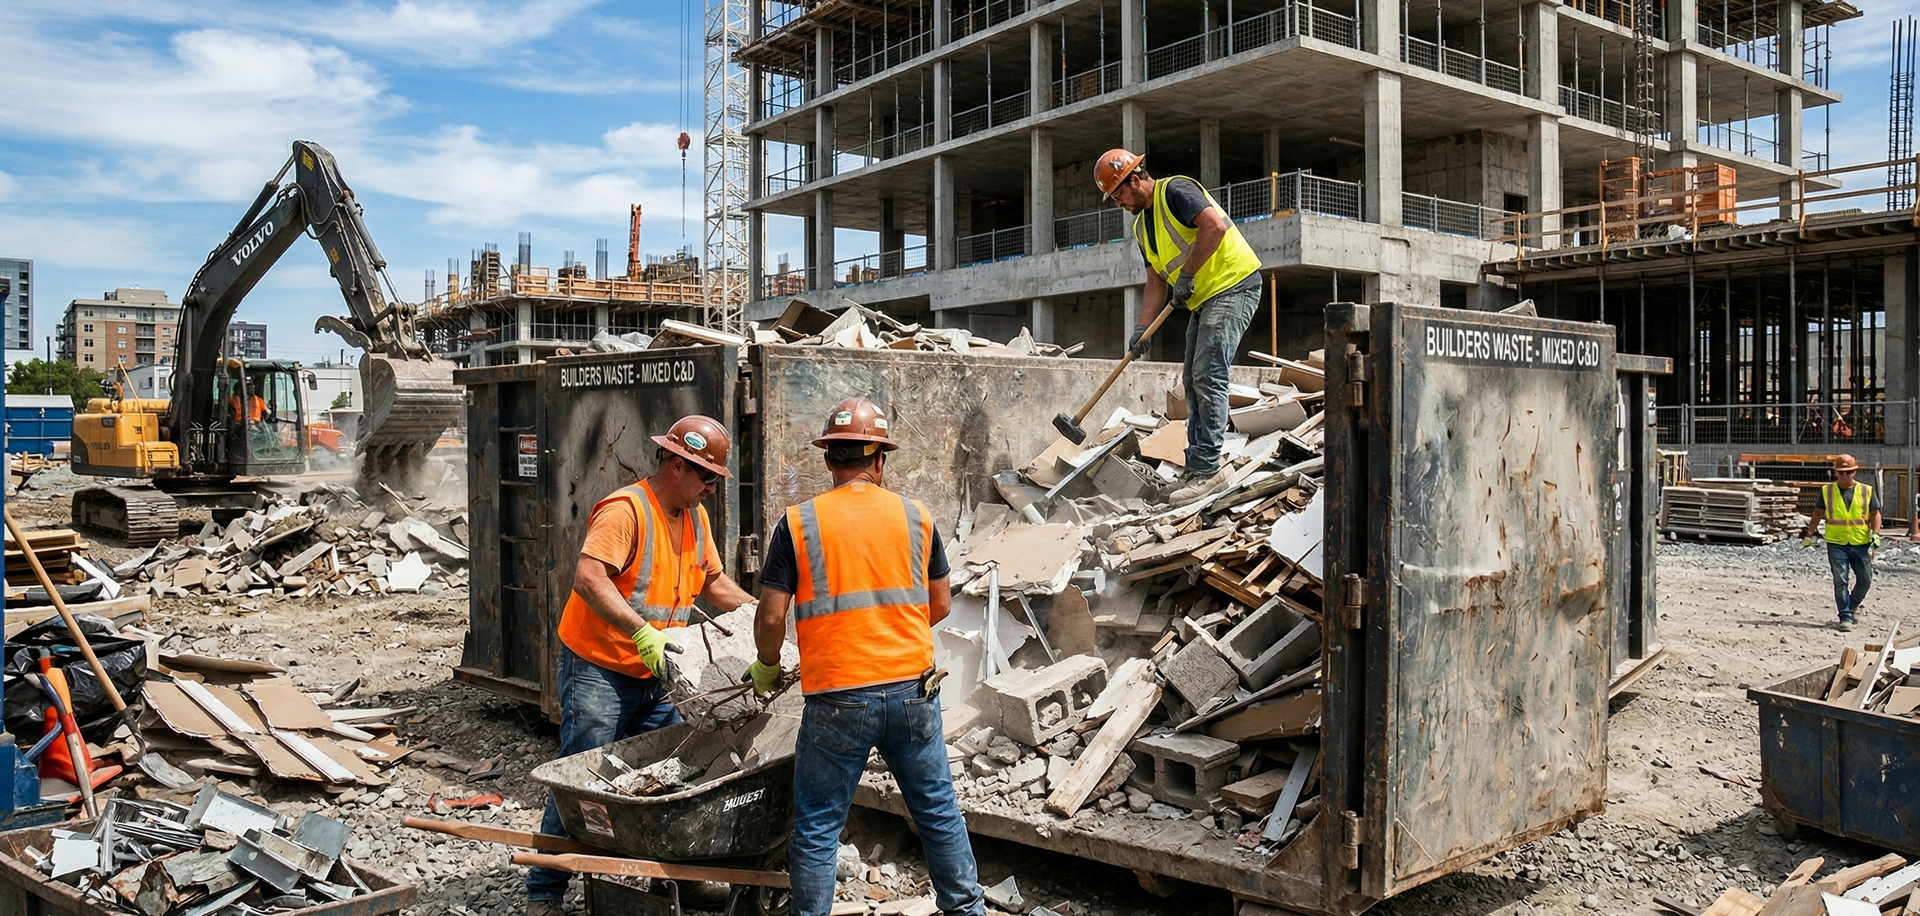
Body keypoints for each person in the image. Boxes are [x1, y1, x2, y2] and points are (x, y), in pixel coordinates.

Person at [745, 398, 985, 916]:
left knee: (817, 827)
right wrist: (889, 635)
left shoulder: (799, 523)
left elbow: (770, 617)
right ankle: (967, 910)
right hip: (912, 691)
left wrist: (766, 667)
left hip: (837, 698)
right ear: (879, 461)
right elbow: (939, 604)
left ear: (829, 460)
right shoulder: (915, 516)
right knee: (938, 812)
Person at [525, 415, 757, 916]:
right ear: (678, 465)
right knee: (583, 776)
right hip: (600, 668)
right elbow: (588, 578)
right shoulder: (626, 510)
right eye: (708, 478)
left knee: (662, 782)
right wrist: (640, 631)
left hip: (658, 674)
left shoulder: (694, 516)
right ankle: (545, 890)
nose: (713, 490)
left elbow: (714, 584)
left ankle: (665, 879)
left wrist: (762, 617)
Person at [1096, 147, 1266, 505]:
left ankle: (1209, 469)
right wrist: (1142, 328)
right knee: (1191, 378)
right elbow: (1156, 280)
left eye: (1119, 194)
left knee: (1208, 372)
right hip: (1204, 298)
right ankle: (1196, 467)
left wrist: (1187, 274)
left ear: (1136, 179)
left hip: (1234, 284)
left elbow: (1214, 227)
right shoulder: (1142, 226)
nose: (1118, 203)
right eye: (1112, 199)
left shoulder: (1175, 190)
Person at [1802, 454, 1881, 631]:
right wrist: (1809, 534)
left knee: (1865, 580)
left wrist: (1876, 534)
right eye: (1841, 472)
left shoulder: (1866, 491)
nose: (1845, 475)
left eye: (1848, 472)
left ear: (1854, 472)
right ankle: (1845, 616)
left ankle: (1852, 606)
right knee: (1840, 580)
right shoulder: (1826, 491)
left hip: (1860, 542)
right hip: (1836, 542)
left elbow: (1875, 513)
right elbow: (1817, 513)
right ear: (1835, 473)